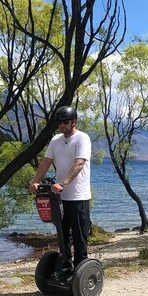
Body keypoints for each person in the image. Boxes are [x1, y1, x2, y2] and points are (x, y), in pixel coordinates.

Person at [28, 106, 92, 269]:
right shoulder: (56, 140)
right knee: (63, 236)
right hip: (59, 199)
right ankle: (65, 267)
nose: (62, 125)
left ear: (74, 122)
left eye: (65, 122)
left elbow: (79, 164)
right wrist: (35, 181)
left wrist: (62, 183)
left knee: (79, 237)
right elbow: (46, 162)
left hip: (78, 198)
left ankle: (81, 271)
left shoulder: (82, 138)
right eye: (59, 122)